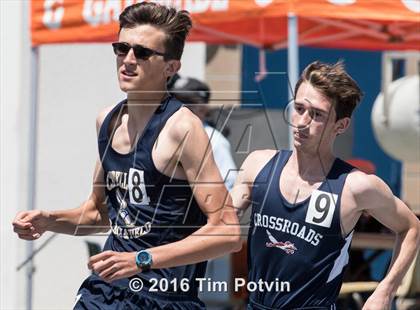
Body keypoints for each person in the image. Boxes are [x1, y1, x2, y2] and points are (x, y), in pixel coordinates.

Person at [12, 2, 240, 309]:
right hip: (105, 293)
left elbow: (228, 232)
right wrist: (48, 219)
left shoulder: (183, 129)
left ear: (171, 67)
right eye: (122, 48)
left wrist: (141, 260)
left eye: (143, 53)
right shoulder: (106, 121)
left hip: (164, 297)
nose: (128, 60)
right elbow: (98, 213)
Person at [231, 61, 420, 310]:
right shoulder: (258, 164)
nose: (301, 121)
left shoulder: (355, 186)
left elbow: (411, 227)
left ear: (340, 126)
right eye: (298, 108)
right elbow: (218, 226)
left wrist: (385, 291)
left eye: (317, 114)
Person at [168, 75, 238, 190]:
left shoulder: (215, 140)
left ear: (201, 108)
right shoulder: (166, 131)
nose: (178, 107)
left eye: (185, 103)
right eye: (174, 100)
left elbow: (230, 187)